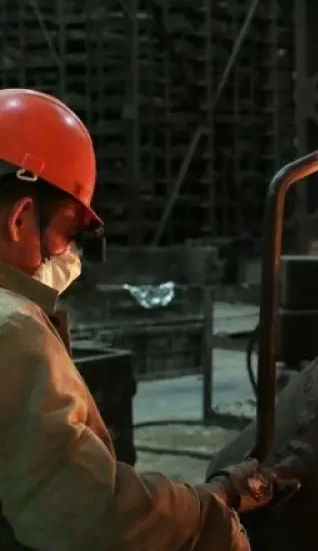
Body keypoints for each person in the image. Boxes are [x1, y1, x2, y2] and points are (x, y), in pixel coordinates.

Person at [0, 88, 287, 550]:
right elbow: (89, 515)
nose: (68, 254)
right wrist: (208, 510)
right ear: (19, 219)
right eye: (68, 232)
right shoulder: (11, 329)